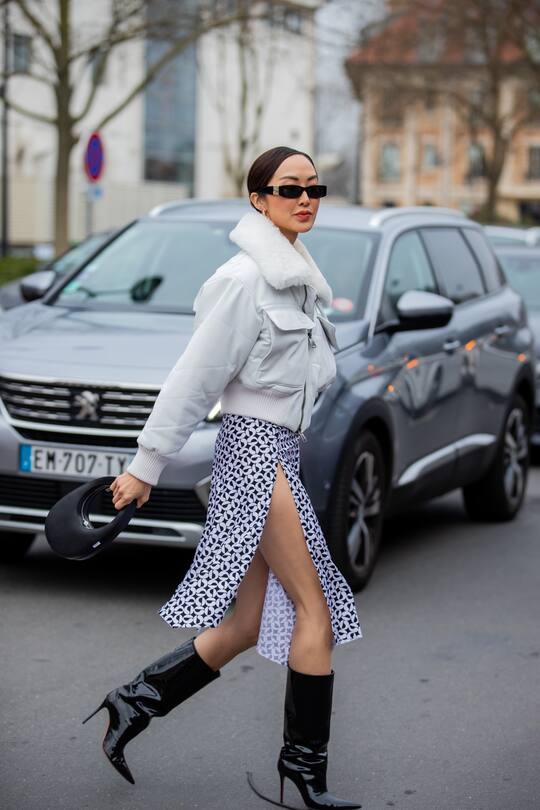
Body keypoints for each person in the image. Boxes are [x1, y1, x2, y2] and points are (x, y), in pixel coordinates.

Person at [82, 145, 363, 809]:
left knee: (246, 622)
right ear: (257, 199)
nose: (305, 197)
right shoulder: (244, 281)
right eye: (287, 187)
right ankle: (304, 770)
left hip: (278, 452)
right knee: (313, 608)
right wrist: (144, 468)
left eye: (314, 188)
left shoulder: (298, 277)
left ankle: (133, 701)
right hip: (253, 454)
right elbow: (194, 380)